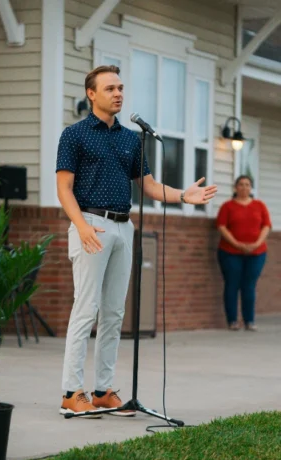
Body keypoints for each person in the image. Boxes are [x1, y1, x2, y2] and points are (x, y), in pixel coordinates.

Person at [56, 65, 217, 418]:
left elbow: (149, 186)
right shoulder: (74, 135)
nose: (118, 93)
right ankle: (71, 391)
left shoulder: (132, 138)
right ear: (91, 94)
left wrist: (183, 196)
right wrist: (81, 225)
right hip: (91, 225)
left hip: (122, 227)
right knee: (86, 309)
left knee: (114, 313)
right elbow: (63, 188)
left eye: (121, 87)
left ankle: (102, 390)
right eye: (110, 88)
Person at [216, 175, 271, 332]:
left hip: (257, 252)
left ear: (251, 188)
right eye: (241, 184)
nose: (244, 187)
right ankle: (232, 321)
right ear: (235, 187)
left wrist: (256, 244)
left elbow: (266, 226)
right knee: (232, 285)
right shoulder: (227, 206)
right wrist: (237, 244)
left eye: (247, 185)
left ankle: (249, 321)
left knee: (249, 285)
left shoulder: (259, 205)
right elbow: (221, 226)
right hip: (230, 252)